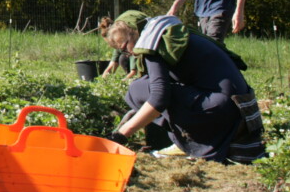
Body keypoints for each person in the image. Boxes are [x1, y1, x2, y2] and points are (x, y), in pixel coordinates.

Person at [102, 10, 264, 163]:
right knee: (145, 86)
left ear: (134, 33)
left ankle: (188, 142)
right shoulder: (171, 31)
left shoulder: (151, 41)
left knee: (137, 89)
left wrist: (122, 134)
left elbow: (159, 99)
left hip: (221, 112)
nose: (128, 54)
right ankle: (186, 139)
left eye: (124, 48)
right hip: (239, 108)